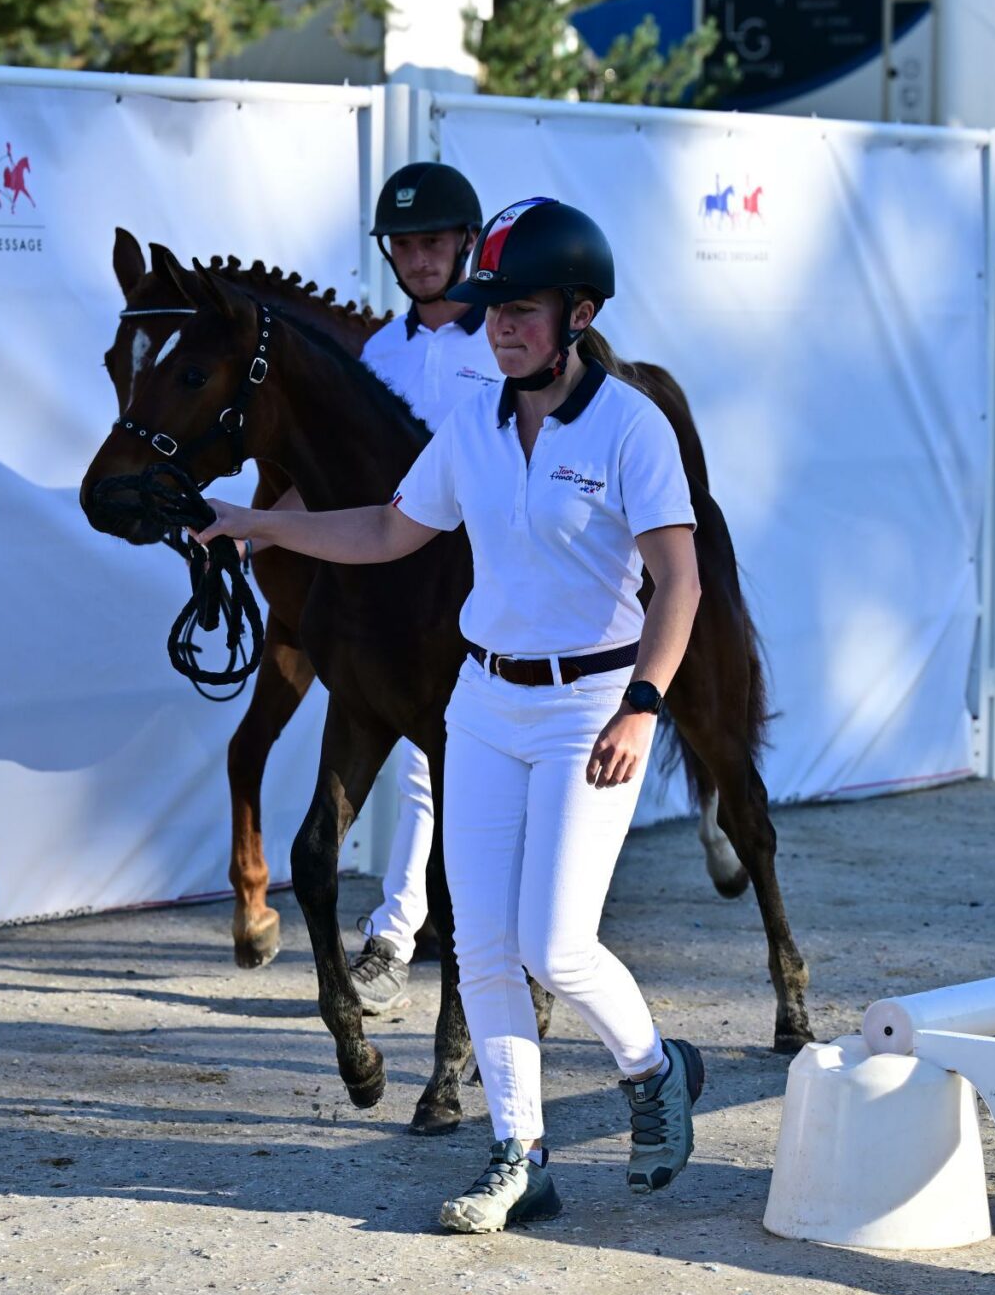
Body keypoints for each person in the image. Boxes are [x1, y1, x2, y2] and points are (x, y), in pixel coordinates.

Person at [193, 196, 706, 1235]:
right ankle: (519, 1155)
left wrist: (644, 704)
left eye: (521, 310)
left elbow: (680, 584)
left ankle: (655, 1071)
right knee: (481, 943)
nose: (499, 327)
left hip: (591, 705)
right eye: (493, 309)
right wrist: (255, 524)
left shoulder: (630, 426)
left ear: (579, 313)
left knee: (556, 945)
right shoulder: (473, 421)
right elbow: (390, 530)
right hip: (483, 704)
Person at [346, 161, 504, 1017]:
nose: (417, 257)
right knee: (419, 769)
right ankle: (396, 936)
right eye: (403, 244)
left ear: (466, 242)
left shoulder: (506, 339)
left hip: (506, 589)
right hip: (411, 599)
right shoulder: (378, 353)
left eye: (433, 240)